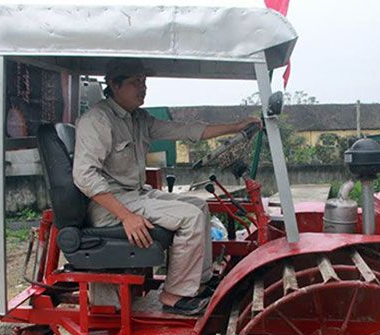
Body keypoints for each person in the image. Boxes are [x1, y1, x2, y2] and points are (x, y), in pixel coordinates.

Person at [73, 58, 260, 315]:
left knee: (199, 205)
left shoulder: (138, 119)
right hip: (110, 205)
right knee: (190, 217)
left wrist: (235, 126)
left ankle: (200, 282)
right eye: (135, 82)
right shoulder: (98, 121)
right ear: (114, 85)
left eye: (144, 81)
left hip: (135, 194)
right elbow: (84, 176)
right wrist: (126, 217)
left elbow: (184, 130)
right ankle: (176, 296)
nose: (143, 88)